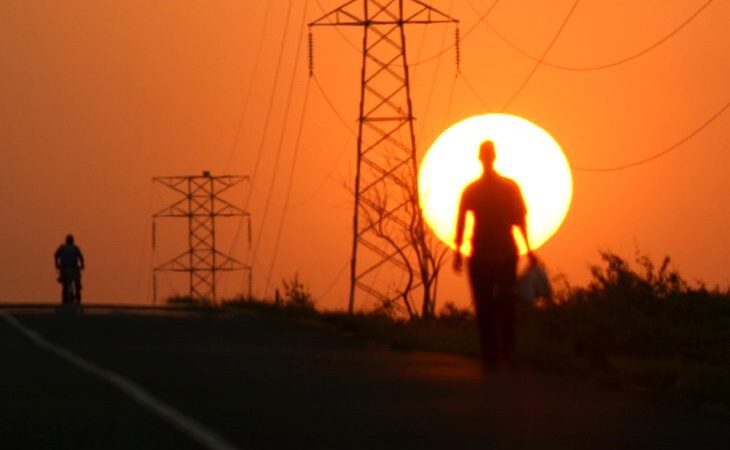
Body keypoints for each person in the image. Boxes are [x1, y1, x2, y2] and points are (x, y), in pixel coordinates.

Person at [453, 140, 533, 366]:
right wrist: (458, 251)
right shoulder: (501, 188)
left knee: (494, 304)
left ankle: (498, 353)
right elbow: (520, 221)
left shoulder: (487, 188)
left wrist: (458, 252)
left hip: (495, 254)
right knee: (494, 304)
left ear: (483, 158)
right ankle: (498, 354)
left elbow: (520, 220)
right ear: (491, 157)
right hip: (491, 253)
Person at [54, 234, 85, 305]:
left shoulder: (62, 247)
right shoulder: (75, 248)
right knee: (77, 283)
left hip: (64, 268)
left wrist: (56, 264)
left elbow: (56, 255)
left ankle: (64, 300)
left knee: (64, 285)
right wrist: (82, 265)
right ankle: (78, 294)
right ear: (72, 241)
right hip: (74, 268)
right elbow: (81, 257)